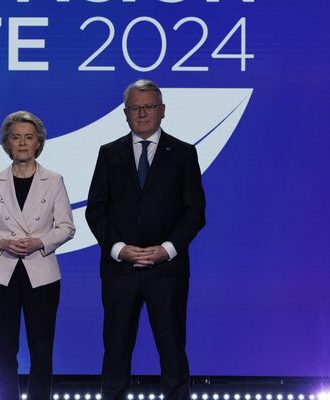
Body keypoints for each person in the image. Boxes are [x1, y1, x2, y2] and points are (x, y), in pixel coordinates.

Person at [85, 79, 206, 400]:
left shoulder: (183, 153)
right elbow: (95, 210)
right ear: (125, 114)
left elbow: (195, 212)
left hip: (167, 272)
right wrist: (118, 249)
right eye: (135, 108)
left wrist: (166, 251)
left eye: (149, 107)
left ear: (162, 111)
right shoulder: (109, 154)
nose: (142, 114)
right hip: (120, 273)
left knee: (172, 353)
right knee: (115, 353)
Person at [0, 111, 76, 400]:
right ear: (7, 143)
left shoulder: (54, 181)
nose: (22, 143)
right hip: (2, 275)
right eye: (16, 137)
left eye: (28, 137)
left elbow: (67, 226)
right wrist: (3, 242)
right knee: (5, 350)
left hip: (41, 273)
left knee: (41, 349)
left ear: (38, 143)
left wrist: (39, 242)